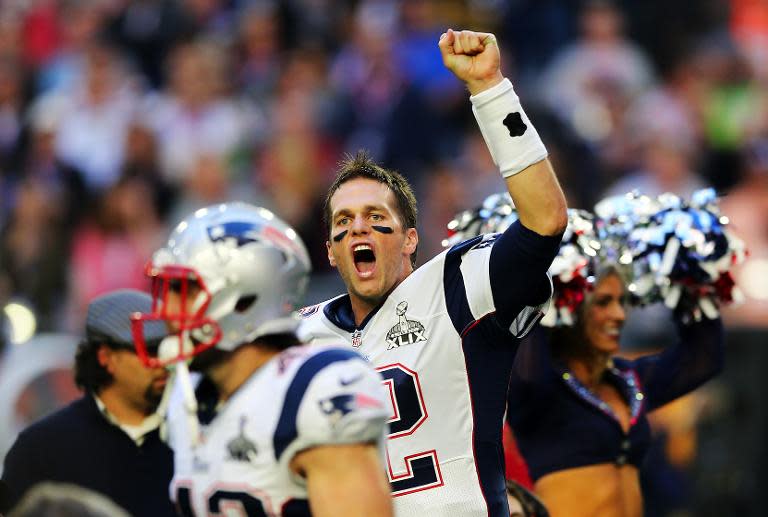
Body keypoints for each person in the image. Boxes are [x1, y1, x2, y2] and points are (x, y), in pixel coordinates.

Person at [298, 29, 568, 516]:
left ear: (410, 239)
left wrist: (489, 89)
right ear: (331, 253)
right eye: (343, 221)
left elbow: (545, 221)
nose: (359, 227)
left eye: (377, 217)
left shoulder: (454, 285)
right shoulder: (300, 335)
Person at [131, 202, 393, 516]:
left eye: (182, 290)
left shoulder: (313, 388)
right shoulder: (187, 394)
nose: (167, 312)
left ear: (243, 301)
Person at [506, 264, 724, 517]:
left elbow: (704, 357)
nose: (620, 314)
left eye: (622, 301)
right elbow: (526, 333)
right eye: (603, 302)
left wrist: (690, 269)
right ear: (569, 308)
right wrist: (545, 268)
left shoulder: (628, 379)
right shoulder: (540, 386)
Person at [0, 289, 175, 516]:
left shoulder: (193, 435)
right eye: (150, 350)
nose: (164, 362)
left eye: (169, 349)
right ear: (105, 357)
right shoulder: (40, 450)